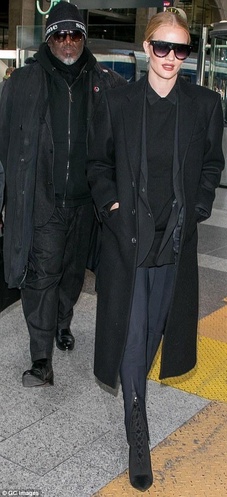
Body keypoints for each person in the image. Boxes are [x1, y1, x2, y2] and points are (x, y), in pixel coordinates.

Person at [87, 10, 225, 492]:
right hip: (128, 238)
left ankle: (135, 391)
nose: (170, 58)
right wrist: (113, 204)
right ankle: (137, 433)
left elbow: (212, 164)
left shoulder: (205, 104)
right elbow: (97, 163)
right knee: (132, 327)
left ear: (188, 55)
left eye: (180, 50)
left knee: (155, 330)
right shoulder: (118, 101)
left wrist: (200, 207)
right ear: (146, 49)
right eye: (162, 48)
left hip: (174, 239)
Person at [0, 1, 126, 387]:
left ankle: (62, 321)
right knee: (42, 276)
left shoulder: (106, 84)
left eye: (74, 34)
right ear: (49, 38)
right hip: (42, 199)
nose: (67, 42)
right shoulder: (22, 83)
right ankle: (41, 358)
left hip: (86, 202)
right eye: (59, 34)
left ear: (84, 38)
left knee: (72, 276)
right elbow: (1, 146)